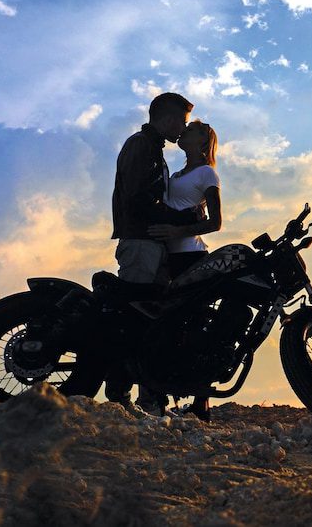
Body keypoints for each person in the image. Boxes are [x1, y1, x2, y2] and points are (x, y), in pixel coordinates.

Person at [106, 92, 202, 416]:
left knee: (150, 323)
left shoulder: (153, 151)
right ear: (168, 117)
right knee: (132, 319)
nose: (182, 129)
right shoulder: (141, 146)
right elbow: (138, 200)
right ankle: (119, 399)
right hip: (140, 243)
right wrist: (184, 219)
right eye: (182, 122)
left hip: (151, 245)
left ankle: (151, 403)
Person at [147, 119, 222, 421]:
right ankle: (163, 395)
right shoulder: (176, 173)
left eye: (193, 130)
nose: (185, 131)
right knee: (167, 325)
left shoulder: (207, 173)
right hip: (168, 259)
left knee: (195, 326)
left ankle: (202, 401)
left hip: (192, 257)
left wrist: (176, 233)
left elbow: (215, 222)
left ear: (203, 142)